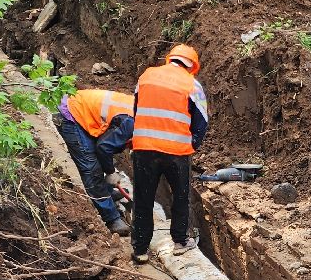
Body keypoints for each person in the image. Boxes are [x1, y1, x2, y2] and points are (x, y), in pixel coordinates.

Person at [131, 43, 209, 264]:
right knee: (181, 197)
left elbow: (136, 109)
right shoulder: (192, 84)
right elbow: (201, 122)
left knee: (143, 198)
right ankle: (181, 241)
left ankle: (140, 249)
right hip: (177, 152)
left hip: (144, 148)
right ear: (192, 66)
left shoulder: (146, 76)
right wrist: (191, 145)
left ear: (170, 59)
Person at [54, 87, 135, 236]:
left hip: (84, 108)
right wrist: (110, 173)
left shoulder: (139, 115)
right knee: (92, 170)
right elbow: (104, 147)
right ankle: (112, 219)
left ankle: (107, 192)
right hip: (73, 114)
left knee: (101, 158)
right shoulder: (130, 123)